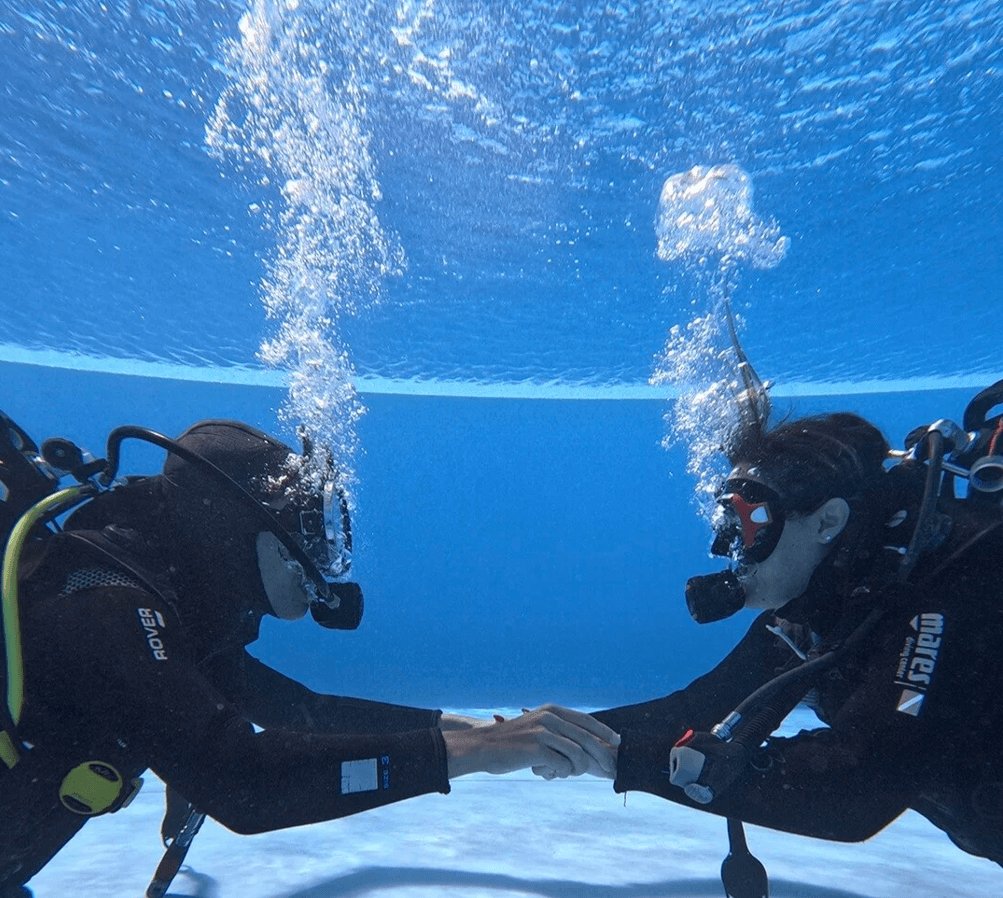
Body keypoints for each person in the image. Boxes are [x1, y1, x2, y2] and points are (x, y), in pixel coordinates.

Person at [0, 416, 619, 897]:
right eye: (310, 530)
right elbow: (244, 785)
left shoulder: (169, 606)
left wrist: (470, 728)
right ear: (232, 526)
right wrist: (484, 753)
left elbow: (298, 709)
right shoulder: (107, 604)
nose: (322, 560)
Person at [585, 388, 1003, 870]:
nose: (730, 550)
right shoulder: (822, 610)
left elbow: (855, 789)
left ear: (828, 520)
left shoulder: (944, 594)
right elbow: (695, 709)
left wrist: (628, 758)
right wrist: (536, 733)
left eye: (749, 521)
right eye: (726, 521)